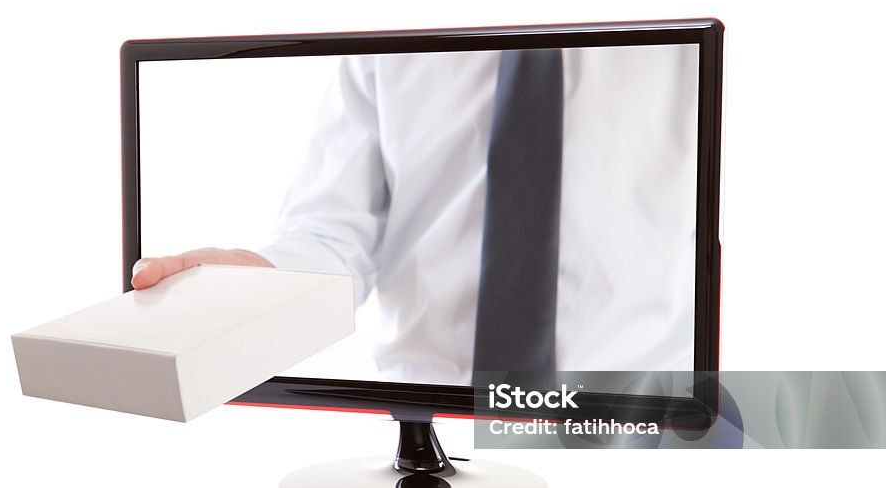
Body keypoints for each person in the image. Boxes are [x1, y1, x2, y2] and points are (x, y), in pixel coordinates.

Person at [132, 46, 699, 385]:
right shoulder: (392, 31)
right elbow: (333, 234)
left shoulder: (687, 40)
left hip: (631, 421)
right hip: (427, 427)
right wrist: (258, 280)